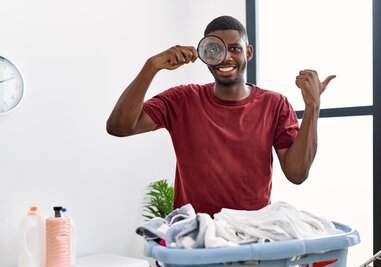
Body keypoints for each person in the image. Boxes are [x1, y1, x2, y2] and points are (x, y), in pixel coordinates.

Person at [106, 15, 335, 216]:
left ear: (248, 52)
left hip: (252, 237)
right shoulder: (182, 99)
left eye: (235, 48)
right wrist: (151, 66)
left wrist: (313, 106)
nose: (225, 57)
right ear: (205, 54)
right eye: (215, 50)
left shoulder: (274, 104)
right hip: (194, 238)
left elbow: (297, 174)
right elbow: (119, 127)